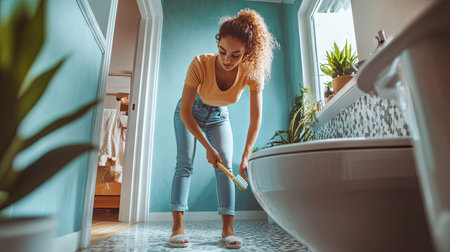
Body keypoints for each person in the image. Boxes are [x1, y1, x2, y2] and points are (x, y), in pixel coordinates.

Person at [168, 8, 277, 249]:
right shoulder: (199, 64)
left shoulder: (251, 71)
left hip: (219, 115)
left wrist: (246, 155)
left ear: (247, 53)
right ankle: (177, 227)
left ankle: (228, 230)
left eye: (236, 55)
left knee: (226, 165)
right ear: (217, 43)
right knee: (184, 163)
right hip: (190, 112)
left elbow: (256, 116)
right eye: (222, 52)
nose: (228, 60)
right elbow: (185, 111)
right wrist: (208, 147)